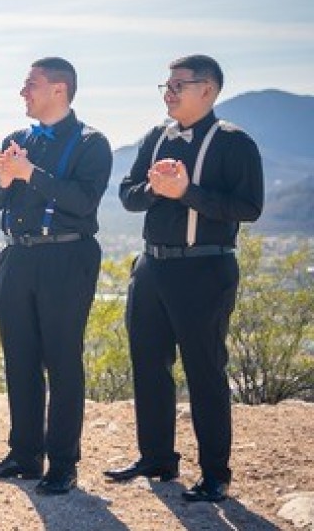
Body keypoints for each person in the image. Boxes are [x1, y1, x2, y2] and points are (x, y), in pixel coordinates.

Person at [106, 55, 264, 503]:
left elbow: (249, 208)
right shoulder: (156, 138)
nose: (169, 93)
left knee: (204, 371)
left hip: (204, 269)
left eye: (179, 85)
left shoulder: (235, 143)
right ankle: (156, 457)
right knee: (149, 365)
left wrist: (187, 192)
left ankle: (215, 473)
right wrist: (156, 189)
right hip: (151, 268)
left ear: (208, 90)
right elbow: (128, 195)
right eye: (167, 86)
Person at [0, 57, 112, 495]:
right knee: (20, 358)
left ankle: (63, 464)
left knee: (63, 361)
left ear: (59, 89)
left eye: (30, 84)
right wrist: (7, 180)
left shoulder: (93, 143)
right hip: (18, 258)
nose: (22, 92)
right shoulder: (16, 139)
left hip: (67, 258)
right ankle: (24, 455)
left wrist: (29, 172)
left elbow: (84, 201)